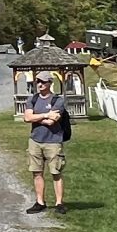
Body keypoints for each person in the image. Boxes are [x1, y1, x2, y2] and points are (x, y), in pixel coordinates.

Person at [19, 76, 72, 214]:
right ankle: (40, 202)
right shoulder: (33, 99)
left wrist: (36, 117)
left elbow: (51, 121)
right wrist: (45, 115)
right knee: (36, 172)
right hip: (35, 141)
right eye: (38, 82)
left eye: (43, 82)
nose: (40, 84)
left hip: (53, 141)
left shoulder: (58, 101)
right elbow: (26, 117)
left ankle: (59, 203)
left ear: (50, 83)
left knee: (56, 172)